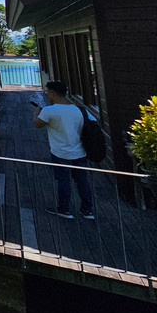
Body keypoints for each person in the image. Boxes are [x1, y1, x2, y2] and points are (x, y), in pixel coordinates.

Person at [33, 80, 94, 220]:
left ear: (53, 94)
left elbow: (37, 124)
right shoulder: (80, 109)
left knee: (63, 181)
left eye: (48, 92)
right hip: (79, 152)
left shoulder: (50, 111)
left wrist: (36, 112)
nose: (47, 94)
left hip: (60, 153)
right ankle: (87, 210)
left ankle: (64, 209)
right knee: (82, 181)